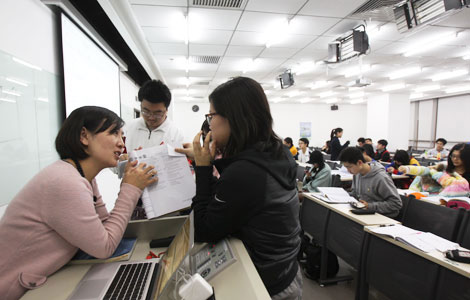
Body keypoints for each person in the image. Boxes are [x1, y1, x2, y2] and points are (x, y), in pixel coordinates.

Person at [0, 106, 157, 300]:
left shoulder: (81, 176)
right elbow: (104, 246)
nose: (121, 144)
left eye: (122, 136)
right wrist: (130, 188)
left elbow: (103, 226)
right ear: (84, 136)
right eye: (113, 134)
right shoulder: (64, 182)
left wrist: (129, 182)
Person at [176, 77, 302, 299]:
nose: (210, 124)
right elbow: (230, 200)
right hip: (286, 270)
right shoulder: (275, 152)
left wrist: (203, 168)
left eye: (211, 116)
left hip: (265, 282)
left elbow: (204, 230)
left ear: (232, 118)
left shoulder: (246, 172)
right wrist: (203, 161)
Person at [124, 79, 184, 154]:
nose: (151, 117)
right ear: (140, 106)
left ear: (166, 110)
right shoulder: (129, 127)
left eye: (157, 113)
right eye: (146, 111)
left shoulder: (176, 134)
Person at [339, 147, 402, 218]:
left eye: (349, 167)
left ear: (359, 163)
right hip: (364, 212)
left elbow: (396, 204)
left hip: (382, 217)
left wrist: (370, 206)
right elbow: (355, 194)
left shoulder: (381, 177)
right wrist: (341, 195)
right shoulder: (357, 174)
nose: (348, 170)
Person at [398, 164, 469, 197]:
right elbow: (423, 170)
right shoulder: (424, 174)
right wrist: (407, 169)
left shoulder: (451, 179)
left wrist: (435, 173)